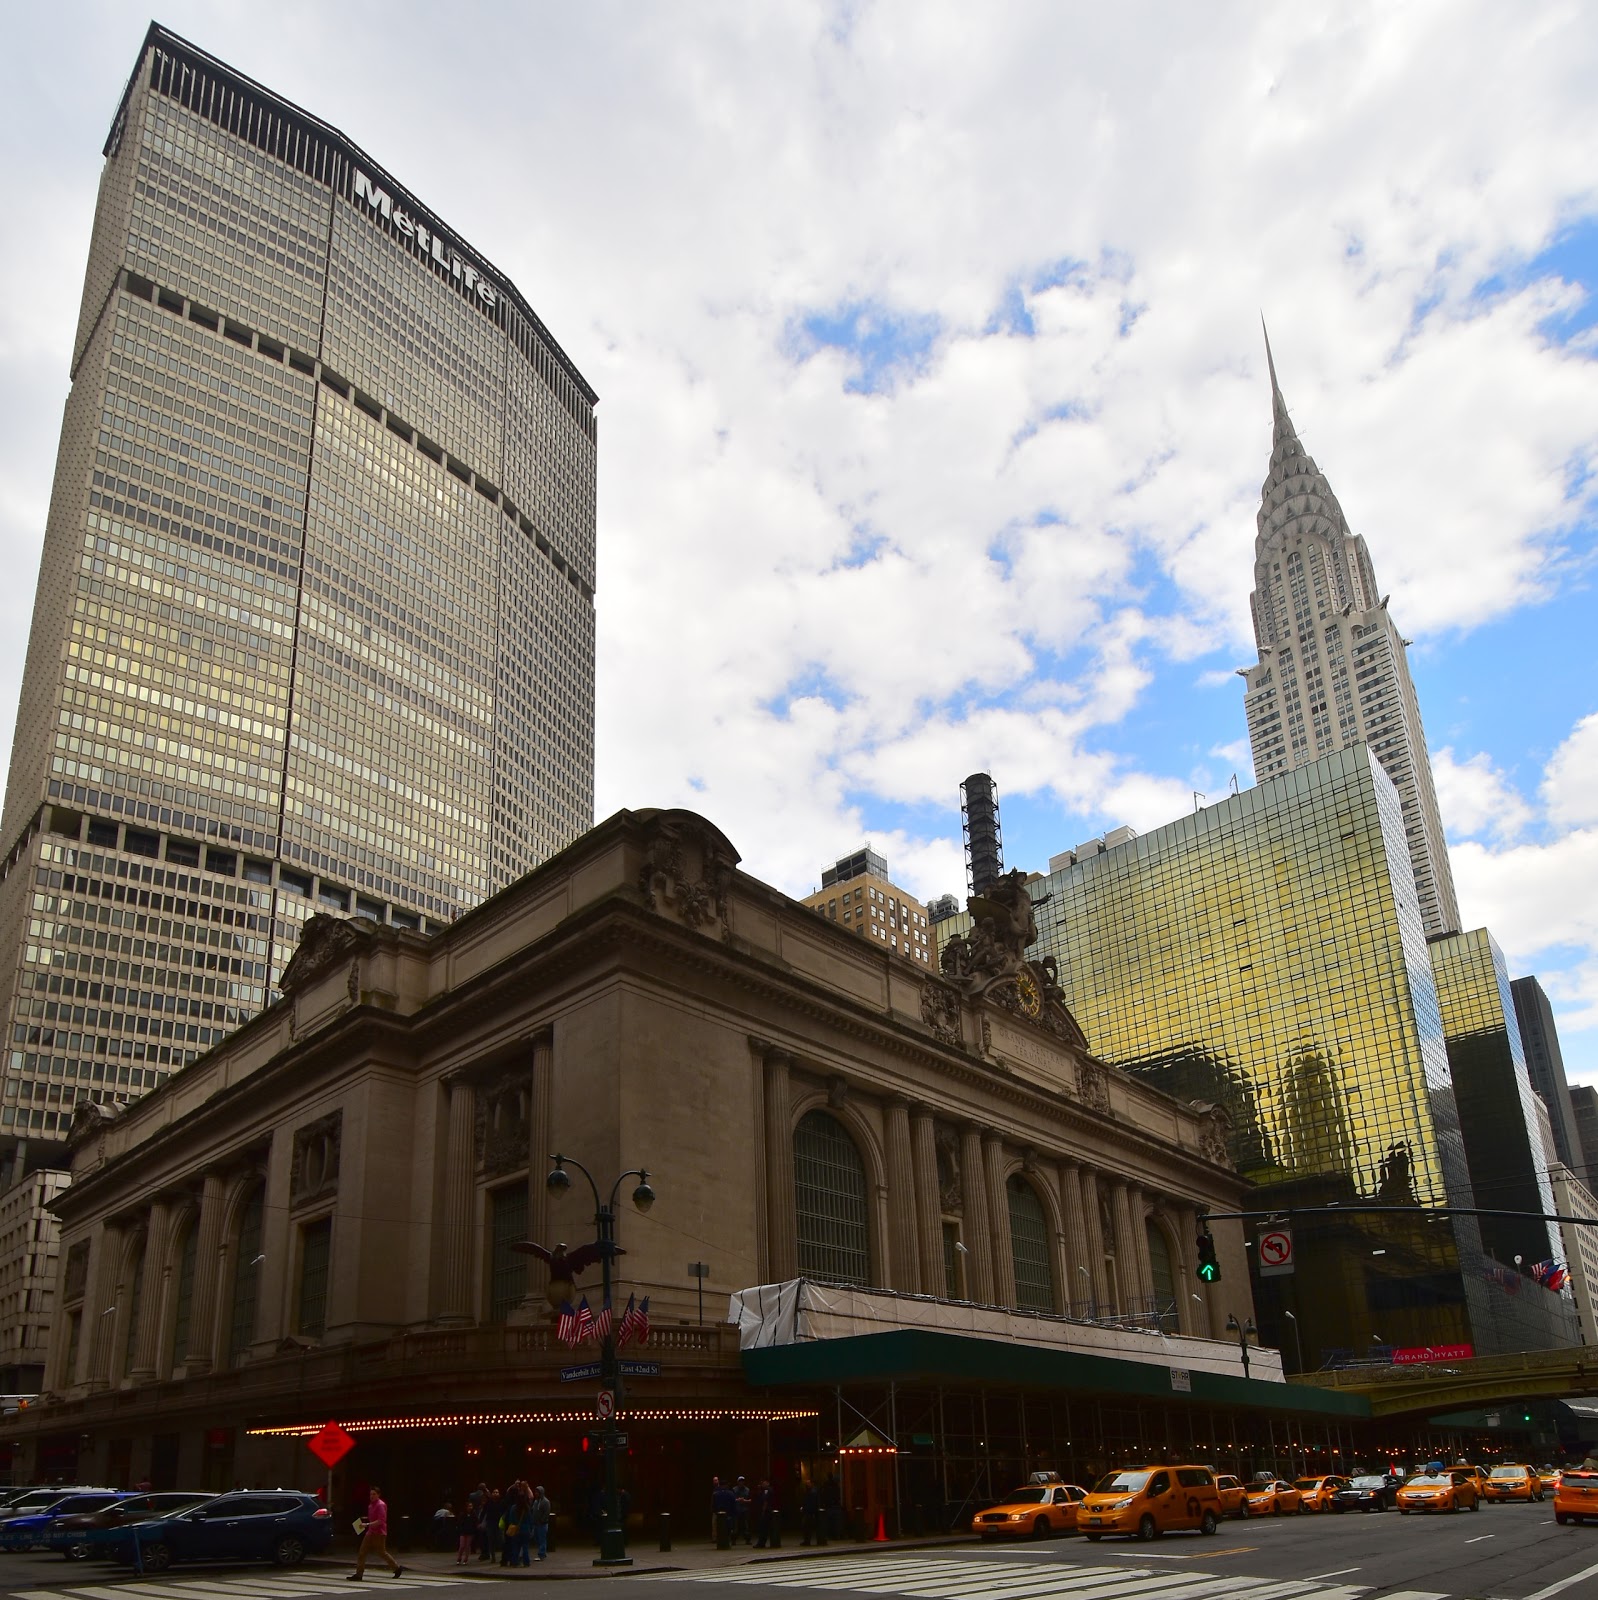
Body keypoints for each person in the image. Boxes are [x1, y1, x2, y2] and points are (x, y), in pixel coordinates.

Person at [346, 1485, 403, 1580]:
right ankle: (359, 1574)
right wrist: (366, 1522)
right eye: (370, 1494)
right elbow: (373, 1518)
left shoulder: (380, 1505)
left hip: (379, 1532)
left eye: (374, 1494)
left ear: (378, 1495)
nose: (372, 1496)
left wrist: (367, 1524)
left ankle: (396, 1568)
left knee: (382, 1552)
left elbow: (381, 1521)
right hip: (371, 1531)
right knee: (362, 1552)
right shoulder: (370, 1505)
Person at [529, 1484, 551, 1562]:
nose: (536, 1494)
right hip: (535, 1524)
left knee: (542, 1539)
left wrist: (542, 1520)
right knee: (537, 1538)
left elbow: (546, 1513)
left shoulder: (546, 1502)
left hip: (542, 1524)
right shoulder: (535, 1501)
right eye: (535, 1492)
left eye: (537, 1492)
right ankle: (542, 1552)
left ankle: (541, 1554)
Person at [454, 1499, 475, 1564]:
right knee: (462, 1545)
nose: (470, 1507)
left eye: (471, 1506)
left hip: (470, 1532)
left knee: (467, 1546)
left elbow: (475, 1522)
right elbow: (459, 1523)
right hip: (463, 1532)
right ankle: (459, 1558)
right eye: (469, 1506)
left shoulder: (473, 1514)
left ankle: (466, 1559)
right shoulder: (462, 1514)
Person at [733, 1475, 751, 1544]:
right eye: (740, 1481)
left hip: (745, 1510)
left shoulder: (747, 1490)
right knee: (736, 1526)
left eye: (742, 1481)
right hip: (737, 1510)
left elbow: (750, 1500)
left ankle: (747, 1540)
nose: (741, 1482)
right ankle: (734, 1540)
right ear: (738, 1482)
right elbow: (732, 1500)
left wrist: (744, 1501)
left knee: (746, 1525)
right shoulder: (734, 1489)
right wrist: (738, 1500)